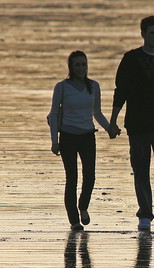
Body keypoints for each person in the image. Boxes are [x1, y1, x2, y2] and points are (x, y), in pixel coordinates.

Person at [108, 16, 154, 231]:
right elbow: (120, 92)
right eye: (152, 33)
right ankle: (145, 215)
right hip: (137, 125)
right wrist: (113, 122)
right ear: (143, 34)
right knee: (141, 169)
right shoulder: (130, 59)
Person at [49, 50, 120, 230]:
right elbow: (54, 114)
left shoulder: (94, 86)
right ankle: (74, 220)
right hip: (67, 137)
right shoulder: (62, 87)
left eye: (84, 64)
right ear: (71, 67)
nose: (81, 68)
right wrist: (54, 141)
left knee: (90, 177)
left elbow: (97, 112)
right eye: (77, 65)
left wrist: (109, 128)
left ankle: (83, 206)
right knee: (71, 178)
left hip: (88, 136)